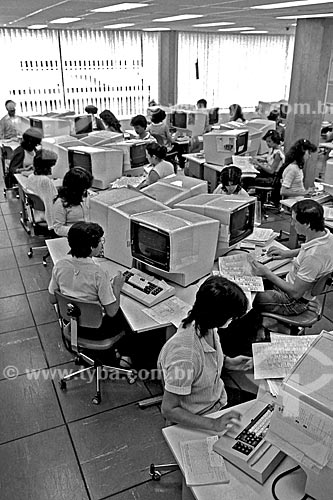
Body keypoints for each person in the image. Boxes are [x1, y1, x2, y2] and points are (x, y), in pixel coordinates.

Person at [158, 275, 253, 431]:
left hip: (216, 400)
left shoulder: (204, 324)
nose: (232, 320)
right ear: (218, 316)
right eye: (231, 317)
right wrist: (214, 424)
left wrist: (228, 362)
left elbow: (204, 361)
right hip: (201, 416)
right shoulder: (185, 358)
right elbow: (169, 410)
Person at [251, 199, 333, 319]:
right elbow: (308, 250)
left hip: (293, 301)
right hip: (294, 286)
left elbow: (295, 293)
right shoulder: (326, 236)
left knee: (248, 298)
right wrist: (287, 253)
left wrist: (267, 273)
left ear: (307, 224)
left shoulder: (313, 257)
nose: (292, 224)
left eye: (294, 221)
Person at [48, 222, 128, 342]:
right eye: (101, 241)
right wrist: (116, 287)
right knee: (127, 319)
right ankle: (125, 355)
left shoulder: (60, 266)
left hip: (71, 322)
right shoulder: (99, 274)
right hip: (97, 330)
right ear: (91, 247)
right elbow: (111, 312)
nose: (102, 244)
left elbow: (52, 299)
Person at [53, 167, 93, 237]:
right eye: (83, 189)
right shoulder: (60, 203)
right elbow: (58, 228)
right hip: (74, 236)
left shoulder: (84, 196)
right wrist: (79, 231)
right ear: (74, 190)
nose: (85, 192)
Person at [25, 148, 58, 230]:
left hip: (35, 213)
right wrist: (51, 226)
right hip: (44, 216)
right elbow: (48, 203)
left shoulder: (31, 176)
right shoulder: (45, 181)